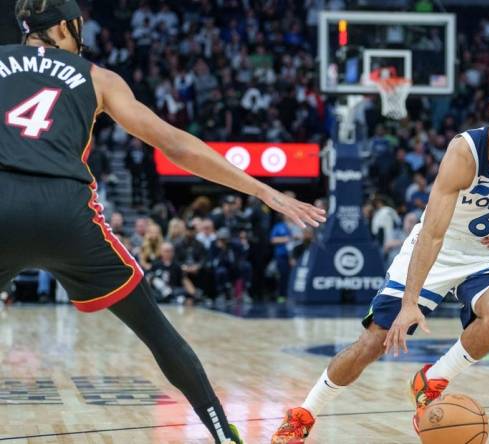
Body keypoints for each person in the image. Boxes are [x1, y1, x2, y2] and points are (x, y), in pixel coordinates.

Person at [0, 2, 325, 443]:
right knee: (155, 330)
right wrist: (263, 191)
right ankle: (222, 434)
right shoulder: (98, 77)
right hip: (67, 212)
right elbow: (174, 144)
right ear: (62, 28)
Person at [271, 81, 489, 443]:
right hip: (437, 248)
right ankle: (304, 414)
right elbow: (433, 232)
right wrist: (409, 304)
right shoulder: (465, 151)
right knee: (372, 344)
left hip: (485, 254)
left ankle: (431, 380)